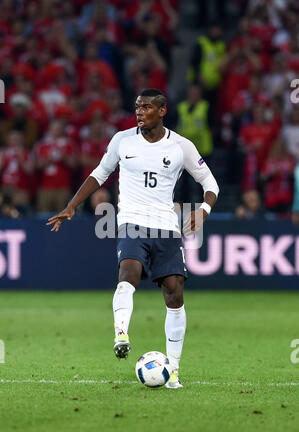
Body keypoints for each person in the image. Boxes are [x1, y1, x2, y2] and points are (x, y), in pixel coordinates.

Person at [46, 88, 219, 389]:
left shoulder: (181, 146)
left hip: (166, 226)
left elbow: (210, 182)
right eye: (137, 107)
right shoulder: (122, 140)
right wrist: (72, 205)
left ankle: (173, 372)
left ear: (162, 111)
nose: (139, 112)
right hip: (130, 222)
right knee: (129, 272)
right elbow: (99, 174)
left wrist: (203, 209)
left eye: (147, 107)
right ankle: (121, 333)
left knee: (174, 292)